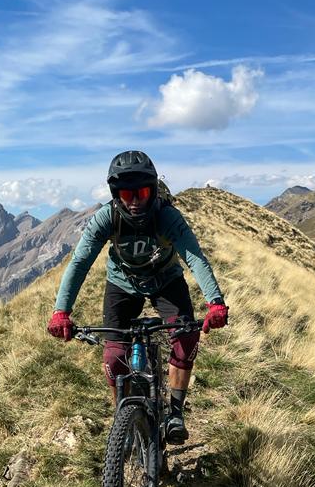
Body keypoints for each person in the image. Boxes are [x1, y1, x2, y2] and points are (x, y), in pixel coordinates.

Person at [46, 151, 228, 443]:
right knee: (114, 356)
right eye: (126, 194)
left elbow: (195, 258)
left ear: (152, 191)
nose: (134, 201)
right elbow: (79, 262)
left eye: (141, 193)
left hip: (166, 281)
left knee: (185, 339)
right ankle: (124, 415)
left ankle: (175, 412)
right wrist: (61, 311)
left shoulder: (167, 216)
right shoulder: (106, 218)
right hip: (122, 283)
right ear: (115, 194)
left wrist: (215, 303)